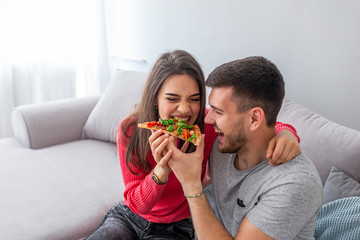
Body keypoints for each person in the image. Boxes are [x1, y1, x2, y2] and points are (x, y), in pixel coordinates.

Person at [85, 51, 301, 240]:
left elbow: (252, 124)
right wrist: (161, 169)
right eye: (172, 98)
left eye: (194, 99)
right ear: (155, 99)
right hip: (130, 217)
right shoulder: (131, 131)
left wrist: (287, 133)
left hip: (178, 226)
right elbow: (138, 205)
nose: (184, 109)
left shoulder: (205, 127)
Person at [166, 56, 323, 240]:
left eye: (218, 111)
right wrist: (287, 131)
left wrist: (191, 185)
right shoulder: (222, 142)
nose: (208, 120)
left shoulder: (295, 184)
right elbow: (172, 122)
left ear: (254, 119)